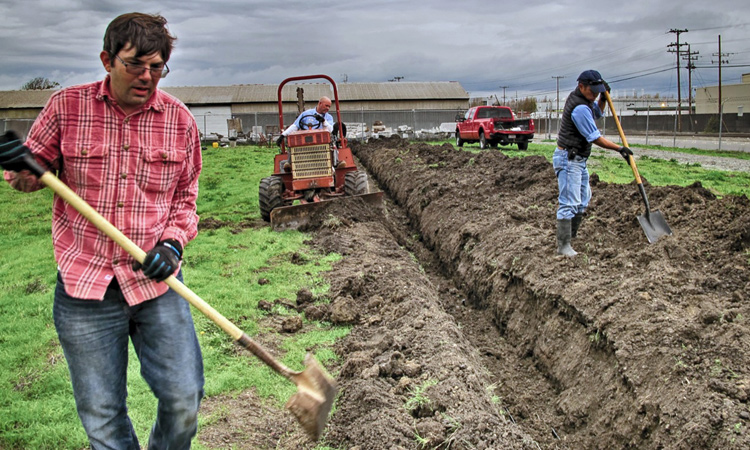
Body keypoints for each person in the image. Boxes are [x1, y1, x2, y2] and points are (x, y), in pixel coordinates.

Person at [0, 12, 204, 448]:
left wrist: (172, 242)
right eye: (135, 64)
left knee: (185, 399)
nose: (147, 77)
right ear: (107, 60)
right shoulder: (66, 107)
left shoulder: (180, 120)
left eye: (157, 67)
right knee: (103, 419)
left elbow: (186, 198)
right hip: (84, 288)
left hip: (156, 284)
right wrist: (19, 164)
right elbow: (25, 181)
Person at [553, 70, 633, 257]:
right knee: (569, 202)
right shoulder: (579, 108)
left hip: (578, 160)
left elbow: (596, 112)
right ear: (582, 86)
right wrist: (619, 148)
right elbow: (595, 137)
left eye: (598, 91)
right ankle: (563, 246)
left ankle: (571, 238)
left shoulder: (585, 101)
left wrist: (603, 99)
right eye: (593, 91)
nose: (595, 95)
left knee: (582, 200)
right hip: (568, 159)